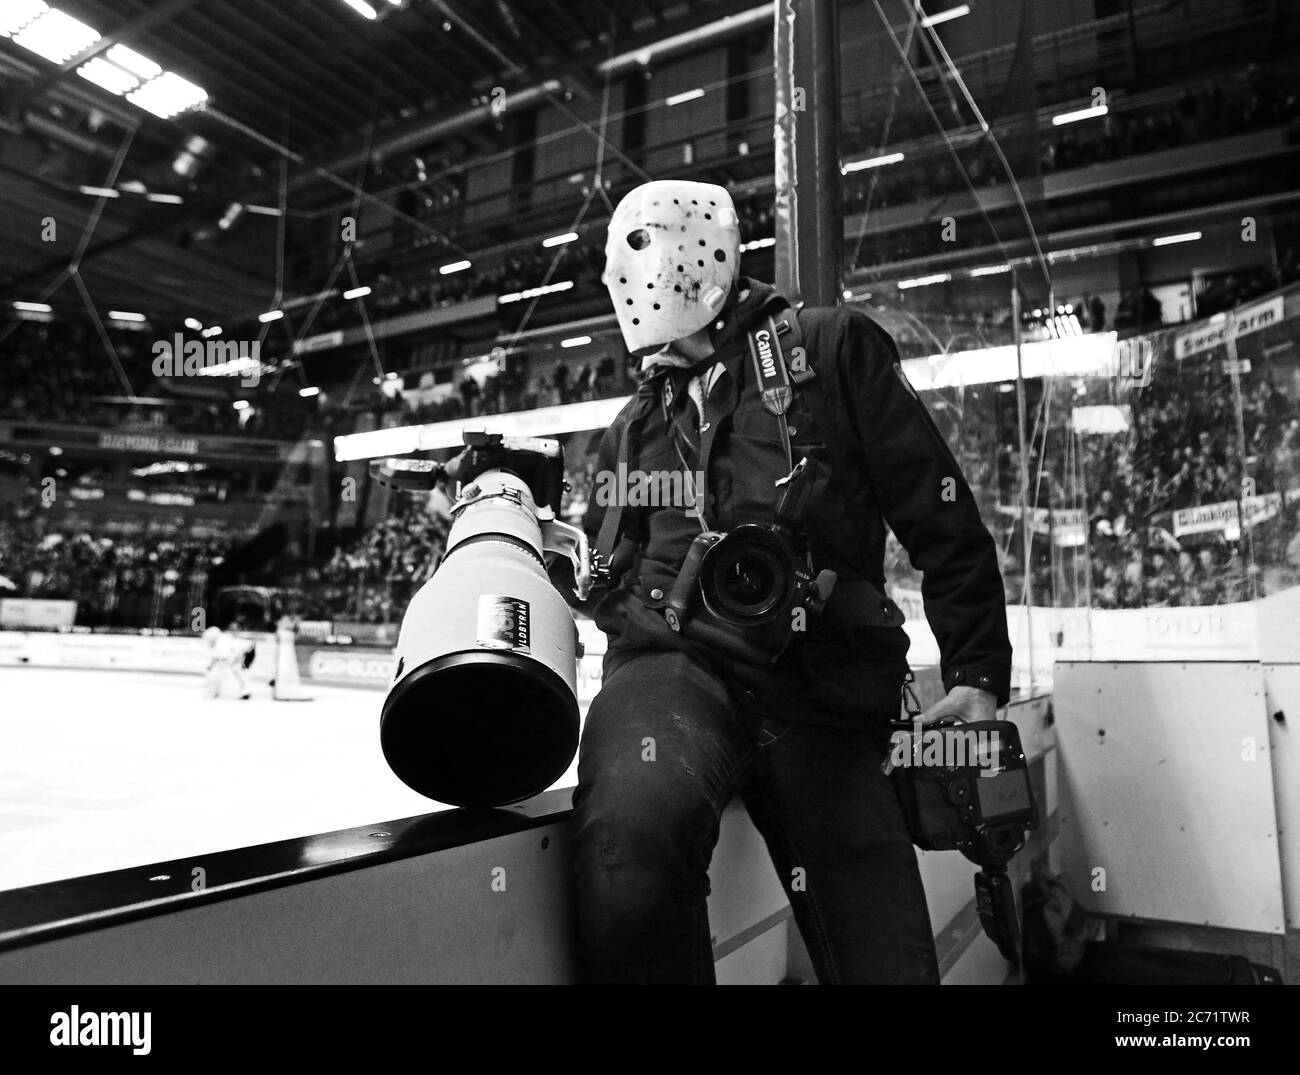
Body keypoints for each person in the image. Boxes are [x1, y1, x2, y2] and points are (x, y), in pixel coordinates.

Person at [554, 179, 1013, 984]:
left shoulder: (832, 349)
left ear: (701, 255)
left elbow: (942, 515)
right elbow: (605, 584)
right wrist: (546, 550)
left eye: (636, 260)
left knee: (889, 964)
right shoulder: (627, 433)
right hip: (673, 673)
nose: (622, 288)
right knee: (628, 846)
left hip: (823, 689)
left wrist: (977, 674)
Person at [202, 623, 252, 700]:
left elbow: (222, 657)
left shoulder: (221, 642)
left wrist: (213, 666)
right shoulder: (221, 639)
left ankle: (246, 691)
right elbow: (218, 657)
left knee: (237, 671)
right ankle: (245, 691)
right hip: (243, 652)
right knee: (236, 671)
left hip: (247, 651)